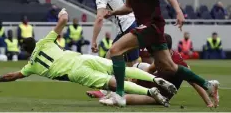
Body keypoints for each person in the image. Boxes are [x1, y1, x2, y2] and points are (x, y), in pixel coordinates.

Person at [0, 9, 177, 107]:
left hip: (76, 72)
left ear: (24, 50)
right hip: (83, 58)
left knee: (114, 83)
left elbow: (13, 76)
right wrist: (62, 12)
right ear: (35, 42)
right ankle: (154, 78)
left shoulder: (31, 66)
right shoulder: (45, 42)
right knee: (119, 70)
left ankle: (150, 91)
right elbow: (64, 19)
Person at [101, 0, 219, 106]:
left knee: (115, 50)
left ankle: (120, 95)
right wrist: (113, 12)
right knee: (168, 66)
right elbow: (128, 7)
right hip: (152, 28)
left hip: (150, 26)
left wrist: (178, 12)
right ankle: (207, 85)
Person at [87, 34, 218, 108]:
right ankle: (107, 91)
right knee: (137, 68)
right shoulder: (162, 56)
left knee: (140, 98)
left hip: (161, 94)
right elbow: (150, 69)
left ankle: (115, 97)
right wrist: (136, 80)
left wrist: (208, 103)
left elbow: (195, 82)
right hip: (153, 82)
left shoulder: (178, 64)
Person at [88, 0, 139, 66]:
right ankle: (151, 77)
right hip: (135, 23)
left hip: (127, 27)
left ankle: (111, 81)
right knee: (132, 64)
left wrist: (94, 40)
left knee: (110, 56)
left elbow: (99, 19)